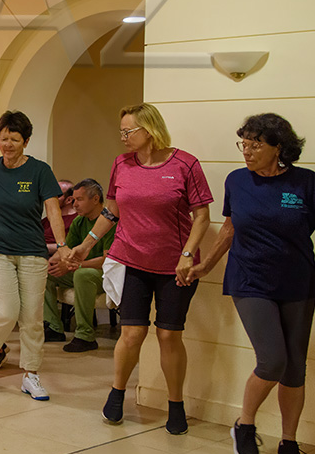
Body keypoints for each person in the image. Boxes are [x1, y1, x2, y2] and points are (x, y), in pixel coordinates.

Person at [190, 114, 315, 454]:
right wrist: (206, 266)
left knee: (294, 368)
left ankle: (288, 443)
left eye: (255, 144)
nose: (247, 151)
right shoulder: (237, 181)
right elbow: (230, 229)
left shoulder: (306, 183)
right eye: (244, 144)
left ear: (278, 147)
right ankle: (245, 424)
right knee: (272, 361)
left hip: (298, 283)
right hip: (250, 280)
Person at [68, 103, 211, 434]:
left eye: (128, 131)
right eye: (121, 131)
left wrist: (188, 254)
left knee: (168, 335)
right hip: (132, 260)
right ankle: (117, 393)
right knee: (131, 333)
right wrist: (86, 245)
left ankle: (176, 405)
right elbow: (111, 211)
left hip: (175, 266)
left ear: (150, 129)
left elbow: (202, 216)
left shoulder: (185, 164)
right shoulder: (122, 164)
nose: (123, 138)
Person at [0, 111, 69, 400]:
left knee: (32, 318)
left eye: (14, 139)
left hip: (32, 251)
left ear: (26, 141)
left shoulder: (40, 171)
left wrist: (62, 246)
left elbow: (53, 209)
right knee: (7, 311)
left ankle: (31, 375)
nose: (7, 145)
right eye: (3, 139)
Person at [43, 179, 114, 352]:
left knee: (82, 274)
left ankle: (85, 335)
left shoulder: (110, 221)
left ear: (95, 199)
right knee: (45, 272)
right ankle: (53, 327)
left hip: (105, 274)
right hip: (80, 269)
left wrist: (75, 266)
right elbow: (66, 250)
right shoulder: (79, 222)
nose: (74, 204)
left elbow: (108, 260)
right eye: (73, 199)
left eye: (79, 199)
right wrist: (53, 262)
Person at [44, 180, 77, 255]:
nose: (51, 198)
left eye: (57, 195)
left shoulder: (76, 220)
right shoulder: (45, 220)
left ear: (69, 200)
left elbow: (71, 246)